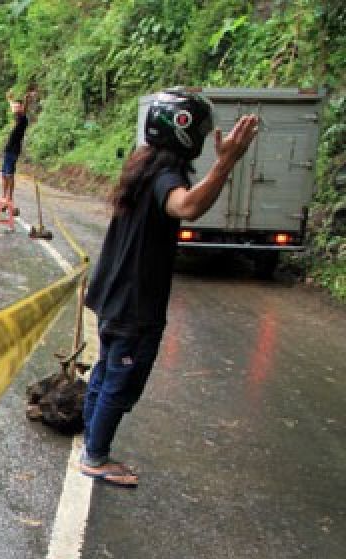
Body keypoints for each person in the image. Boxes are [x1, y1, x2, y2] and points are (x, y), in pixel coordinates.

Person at [81, 88, 259, 488]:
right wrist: (226, 163)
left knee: (106, 369)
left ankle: (91, 442)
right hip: (134, 302)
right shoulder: (166, 176)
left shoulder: (141, 165)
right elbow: (187, 206)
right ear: (185, 131)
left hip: (114, 295)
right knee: (120, 378)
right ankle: (95, 456)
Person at [0, 88, 36, 203]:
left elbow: (23, 109)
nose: (15, 109)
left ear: (21, 109)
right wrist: (9, 99)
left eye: (18, 107)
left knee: (9, 175)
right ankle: (4, 195)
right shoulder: (17, 117)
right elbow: (13, 106)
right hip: (8, 149)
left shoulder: (23, 119)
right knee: (4, 174)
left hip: (13, 151)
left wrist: (26, 99)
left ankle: (9, 198)